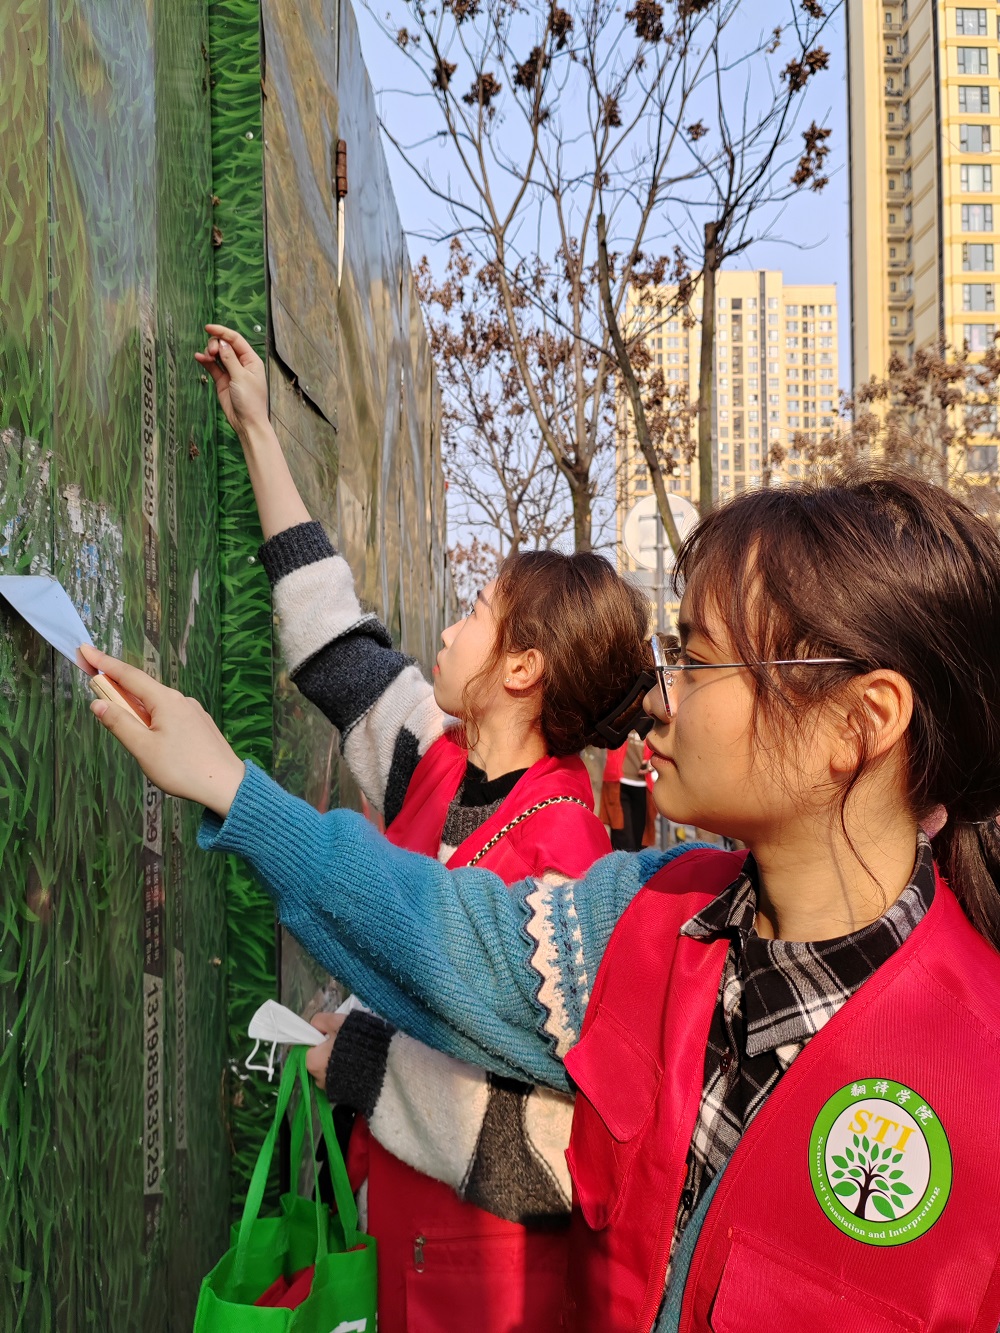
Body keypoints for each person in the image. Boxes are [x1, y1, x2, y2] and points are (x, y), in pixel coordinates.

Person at [84, 469, 1000, 1331]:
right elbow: (441, 930)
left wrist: (361, 1060)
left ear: (859, 723)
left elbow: (538, 1154)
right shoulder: (649, 915)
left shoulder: (976, 1073)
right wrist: (232, 789)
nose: (660, 697)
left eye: (698, 659)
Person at [183, 325, 653, 1332]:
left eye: (477, 610)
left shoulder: (565, 869)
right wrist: (260, 430)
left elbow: (551, 1156)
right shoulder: (437, 755)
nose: (447, 627)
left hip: (479, 1291)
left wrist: (351, 1055)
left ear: (522, 668)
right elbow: (333, 643)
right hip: (393, 1230)